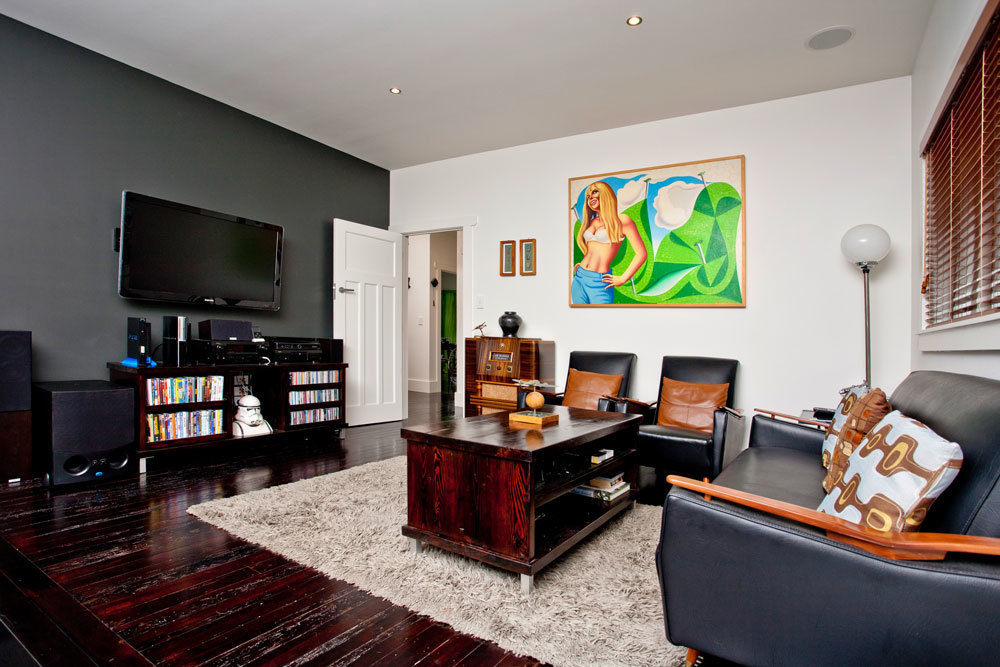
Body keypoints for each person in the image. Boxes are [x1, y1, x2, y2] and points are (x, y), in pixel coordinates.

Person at [571, 181, 647, 304]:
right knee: (577, 315)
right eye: (588, 197)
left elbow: (641, 254)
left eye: (594, 192)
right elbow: (593, 249)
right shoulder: (592, 222)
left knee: (604, 316)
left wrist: (623, 278)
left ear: (606, 194)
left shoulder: (622, 220)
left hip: (600, 282)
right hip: (579, 278)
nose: (590, 198)